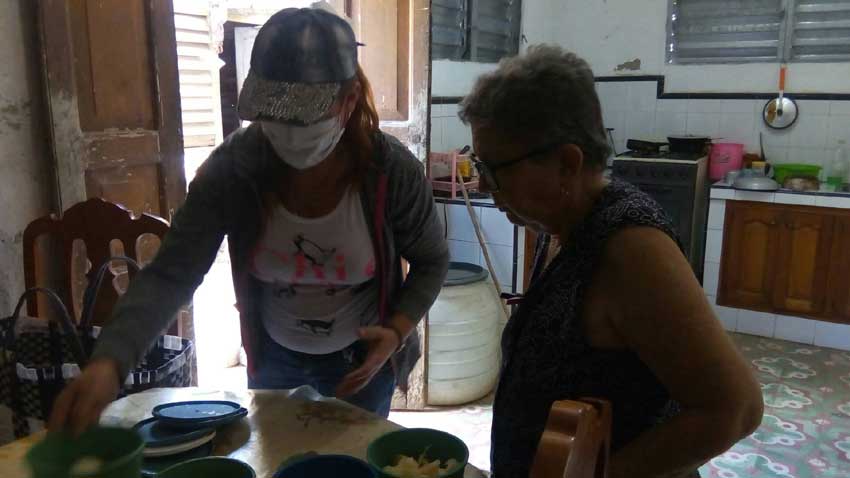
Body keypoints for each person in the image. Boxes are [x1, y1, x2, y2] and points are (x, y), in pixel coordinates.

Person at [49, 6, 448, 432]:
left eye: (304, 115)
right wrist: (110, 361)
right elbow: (171, 273)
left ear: (348, 101)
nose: (288, 130)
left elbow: (431, 261)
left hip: (363, 363)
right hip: (273, 358)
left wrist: (397, 331)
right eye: (274, 113)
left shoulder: (390, 172)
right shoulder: (234, 169)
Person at [459, 45, 763, 478]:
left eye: (494, 169)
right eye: (478, 165)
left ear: (567, 164)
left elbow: (736, 409)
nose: (485, 185)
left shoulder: (630, 248)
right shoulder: (563, 223)